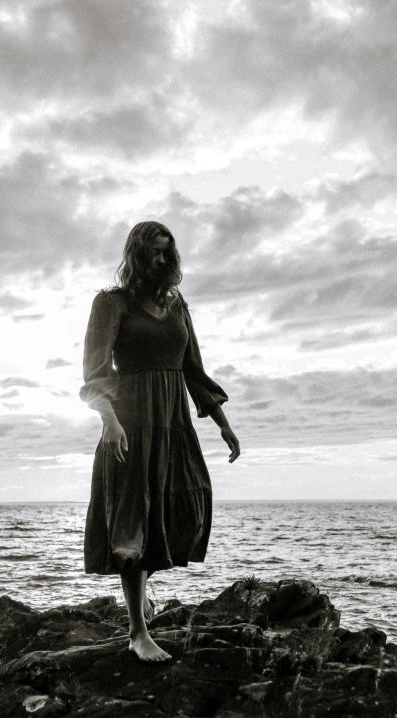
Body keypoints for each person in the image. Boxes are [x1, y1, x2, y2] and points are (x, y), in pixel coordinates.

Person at [79, 220, 240, 662]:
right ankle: (137, 631)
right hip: (130, 423)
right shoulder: (112, 303)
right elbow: (94, 372)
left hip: (173, 422)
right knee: (133, 520)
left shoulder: (177, 304)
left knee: (179, 504)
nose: (162, 260)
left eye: (168, 252)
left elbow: (192, 367)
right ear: (135, 254)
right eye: (153, 251)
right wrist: (109, 421)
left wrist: (221, 420)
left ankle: (142, 600)